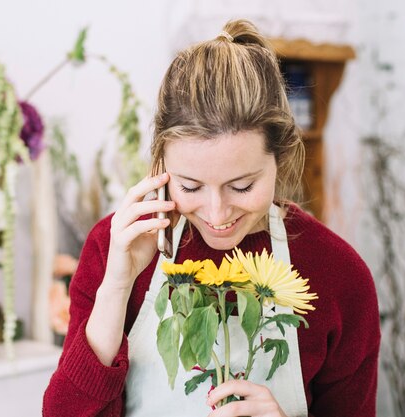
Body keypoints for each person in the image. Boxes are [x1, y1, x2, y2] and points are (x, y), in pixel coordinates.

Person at [43, 19, 380, 417]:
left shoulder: (339, 275)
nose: (218, 214)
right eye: (190, 187)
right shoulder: (116, 247)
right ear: (161, 162)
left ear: (281, 158)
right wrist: (117, 284)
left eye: (241, 187)